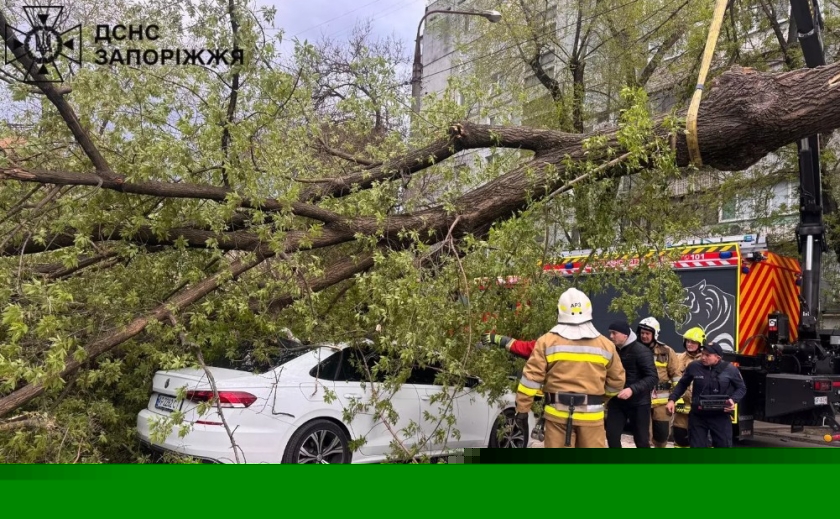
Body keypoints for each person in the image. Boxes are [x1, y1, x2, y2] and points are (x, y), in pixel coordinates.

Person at [513, 287, 626, 448]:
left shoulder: (546, 342)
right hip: (592, 418)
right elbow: (617, 382)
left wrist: (522, 410)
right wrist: (599, 399)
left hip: (557, 416)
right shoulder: (606, 345)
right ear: (589, 311)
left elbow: (530, 379)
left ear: (559, 311)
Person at [666, 341, 747, 448]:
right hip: (698, 416)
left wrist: (733, 400)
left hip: (720, 416)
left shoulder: (730, 369)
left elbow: (741, 388)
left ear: (717, 357)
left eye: (707, 355)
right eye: (703, 354)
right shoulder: (694, 366)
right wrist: (672, 400)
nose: (703, 357)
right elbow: (682, 384)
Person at [604, 320, 658, 448]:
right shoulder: (611, 349)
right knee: (612, 436)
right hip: (616, 401)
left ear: (625, 335)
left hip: (639, 403)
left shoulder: (641, 351)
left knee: (641, 441)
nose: (611, 336)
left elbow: (652, 377)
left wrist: (632, 389)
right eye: (610, 333)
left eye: (614, 333)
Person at [636, 317, 680, 448]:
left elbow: (676, 376)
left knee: (661, 435)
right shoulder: (635, 349)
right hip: (641, 400)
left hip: (662, 402)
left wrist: (675, 398)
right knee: (643, 437)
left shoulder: (666, 351)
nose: (644, 336)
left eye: (647, 333)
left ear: (655, 334)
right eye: (642, 333)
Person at [671, 327, 705, 448]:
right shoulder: (678, 358)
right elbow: (673, 378)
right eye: (687, 341)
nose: (689, 344)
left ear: (701, 343)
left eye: (693, 342)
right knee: (680, 438)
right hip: (682, 409)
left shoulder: (705, 359)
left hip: (701, 410)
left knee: (702, 440)